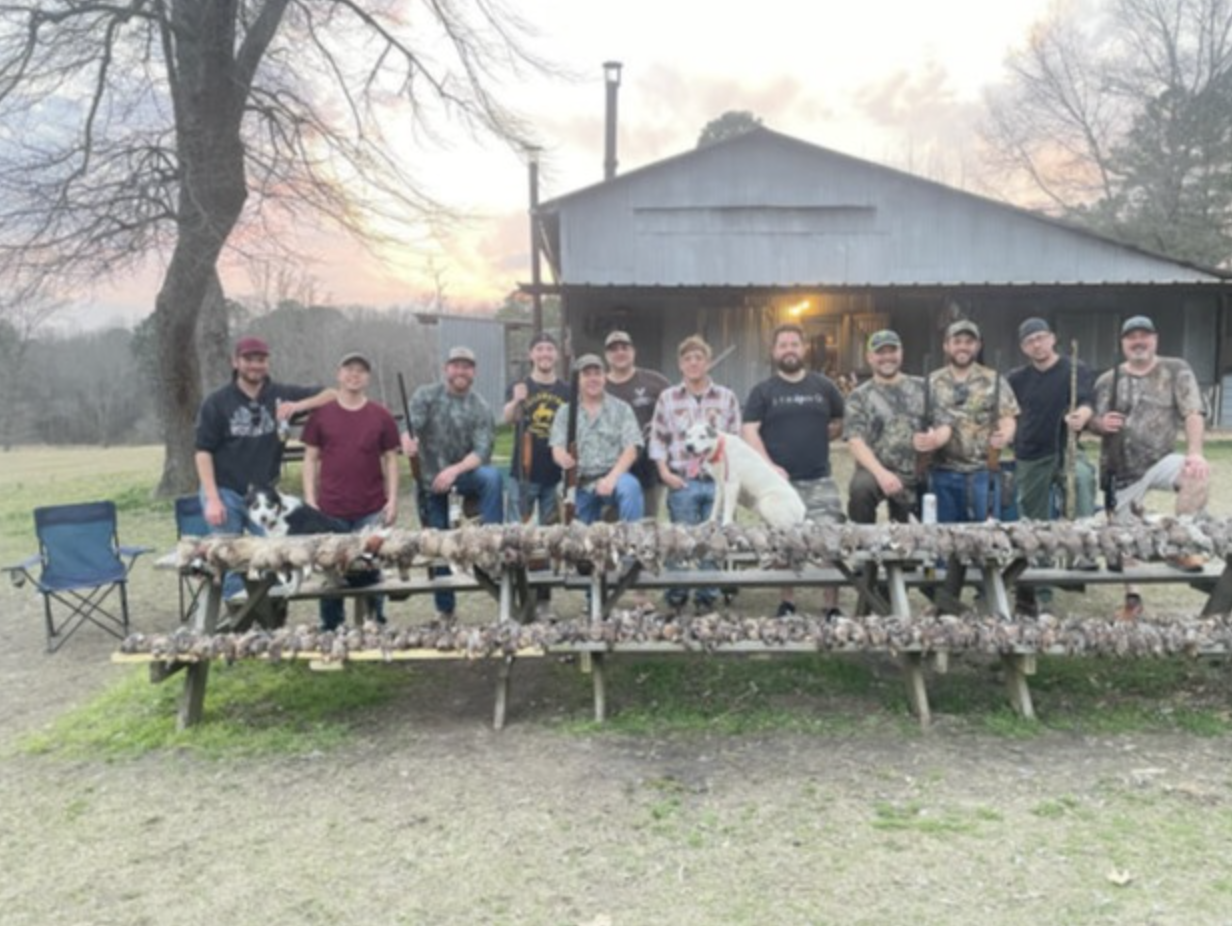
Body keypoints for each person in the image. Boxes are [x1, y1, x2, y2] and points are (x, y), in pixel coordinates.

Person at [194, 335, 336, 601]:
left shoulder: (280, 395)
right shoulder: (217, 402)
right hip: (226, 492)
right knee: (231, 558)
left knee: (276, 556)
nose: (255, 366)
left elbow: (331, 395)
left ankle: (269, 618)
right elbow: (203, 452)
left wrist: (298, 406)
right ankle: (238, 626)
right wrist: (213, 499)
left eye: (261, 360)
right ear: (235, 362)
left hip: (265, 497)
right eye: (248, 359)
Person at [1093, 315, 1211, 617]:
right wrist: (1100, 423)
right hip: (1120, 471)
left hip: (1161, 460)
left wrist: (1195, 453)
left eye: (1144, 335)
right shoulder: (1108, 380)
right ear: (1123, 344)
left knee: (1196, 473)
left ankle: (1181, 545)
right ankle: (1134, 600)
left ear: (1155, 340)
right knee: (1125, 537)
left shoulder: (1176, 370)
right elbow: (1091, 419)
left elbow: (1193, 412)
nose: (1138, 342)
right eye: (1131, 337)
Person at [743, 322, 846, 617]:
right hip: (778, 484)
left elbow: (839, 421)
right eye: (783, 345)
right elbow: (749, 430)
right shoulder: (763, 391)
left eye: (794, 344)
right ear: (774, 352)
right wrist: (770, 466)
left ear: (804, 349)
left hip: (819, 479)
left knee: (830, 539)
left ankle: (832, 607)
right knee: (783, 542)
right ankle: (787, 602)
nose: (789, 349)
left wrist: (820, 436)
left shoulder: (824, 387)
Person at [402, 345, 503, 620]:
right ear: (447, 368)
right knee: (438, 544)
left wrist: (453, 471)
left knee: (493, 477)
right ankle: (445, 610)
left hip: (463, 476)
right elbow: (411, 428)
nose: (461, 371)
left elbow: (482, 452)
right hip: (430, 483)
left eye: (467, 366)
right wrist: (408, 442)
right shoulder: (426, 395)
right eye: (456, 365)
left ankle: (491, 547)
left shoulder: (480, 406)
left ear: (474, 372)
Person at [301, 352, 400, 631]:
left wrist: (392, 500)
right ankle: (331, 627)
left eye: (360, 371)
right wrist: (310, 501)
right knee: (331, 571)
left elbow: (391, 458)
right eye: (349, 369)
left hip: (370, 508)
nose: (354, 375)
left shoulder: (381, 415)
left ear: (367, 378)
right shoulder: (321, 415)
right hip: (330, 509)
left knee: (369, 570)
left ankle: (374, 623)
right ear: (339, 374)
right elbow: (309, 458)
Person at [649, 335, 742, 614]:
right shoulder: (668, 398)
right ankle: (677, 596)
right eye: (688, 358)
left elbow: (735, 442)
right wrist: (664, 473)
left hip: (716, 483)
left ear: (708, 362)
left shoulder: (726, 398)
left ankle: (706, 597)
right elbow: (657, 438)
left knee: (713, 544)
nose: (693, 363)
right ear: (680, 364)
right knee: (680, 542)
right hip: (682, 482)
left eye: (698, 357)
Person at [922, 319, 1019, 524]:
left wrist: (1005, 435)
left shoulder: (994, 379)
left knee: (985, 540)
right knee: (943, 539)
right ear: (946, 346)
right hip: (943, 472)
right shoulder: (931, 382)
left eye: (969, 341)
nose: (963, 346)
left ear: (978, 346)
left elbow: (1008, 418)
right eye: (957, 341)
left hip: (983, 472)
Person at [1007, 317, 1097, 525]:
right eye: (1030, 341)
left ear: (1052, 339)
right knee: (1031, 518)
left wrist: (1081, 416)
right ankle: (1037, 555)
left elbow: (1086, 402)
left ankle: (1082, 541)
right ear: (1023, 348)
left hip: (1067, 449)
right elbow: (1005, 412)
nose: (1036, 345)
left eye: (1041, 338)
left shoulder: (1075, 369)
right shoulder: (1016, 379)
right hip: (1031, 453)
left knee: (1081, 480)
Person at [844, 329, 938, 525]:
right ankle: (862, 545)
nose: (887, 357)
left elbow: (944, 425)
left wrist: (933, 438)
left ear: (901, 353)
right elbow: (855, 441)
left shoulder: (923, 387)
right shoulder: (858, 396)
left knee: (912, 533)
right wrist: (881, 474)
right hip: (875, 470)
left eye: (892, 351)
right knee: (861, 488)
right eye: (880, 352)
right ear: (869, 357)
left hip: (916, 471)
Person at [550, 354, 644, 524]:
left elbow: (632, 449)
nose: (592, 379)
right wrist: (562, 458)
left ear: (605, 377)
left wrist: (611, 479)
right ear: (578, 379)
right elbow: (556, 446)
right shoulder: (565, 412)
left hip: (613, 478)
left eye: (597, 373)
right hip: (579, 484)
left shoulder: (622, 409)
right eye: (586, 374)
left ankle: (632, 546)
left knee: (630, 487)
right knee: (577, 540)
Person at [502, 331, 569, 524]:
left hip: (556, 474)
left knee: (552, 534)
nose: (544, 354)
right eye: (539, 349)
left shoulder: (567, 390)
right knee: (516, 533)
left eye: (549, 349)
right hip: (524, 473)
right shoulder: (519, 387)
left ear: (556, 355)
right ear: (531, 355)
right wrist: (516, 400)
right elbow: (508, 419)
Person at [603, 330, 671, 519]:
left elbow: (673, 419)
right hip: (612, 467)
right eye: (614, 349)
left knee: (647, 524)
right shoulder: (599, 386)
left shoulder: (656, 382)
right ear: (606, 356)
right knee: (611, 526)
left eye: (624, 347)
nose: (620, 353)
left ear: (633, 351)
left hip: (649, 469)